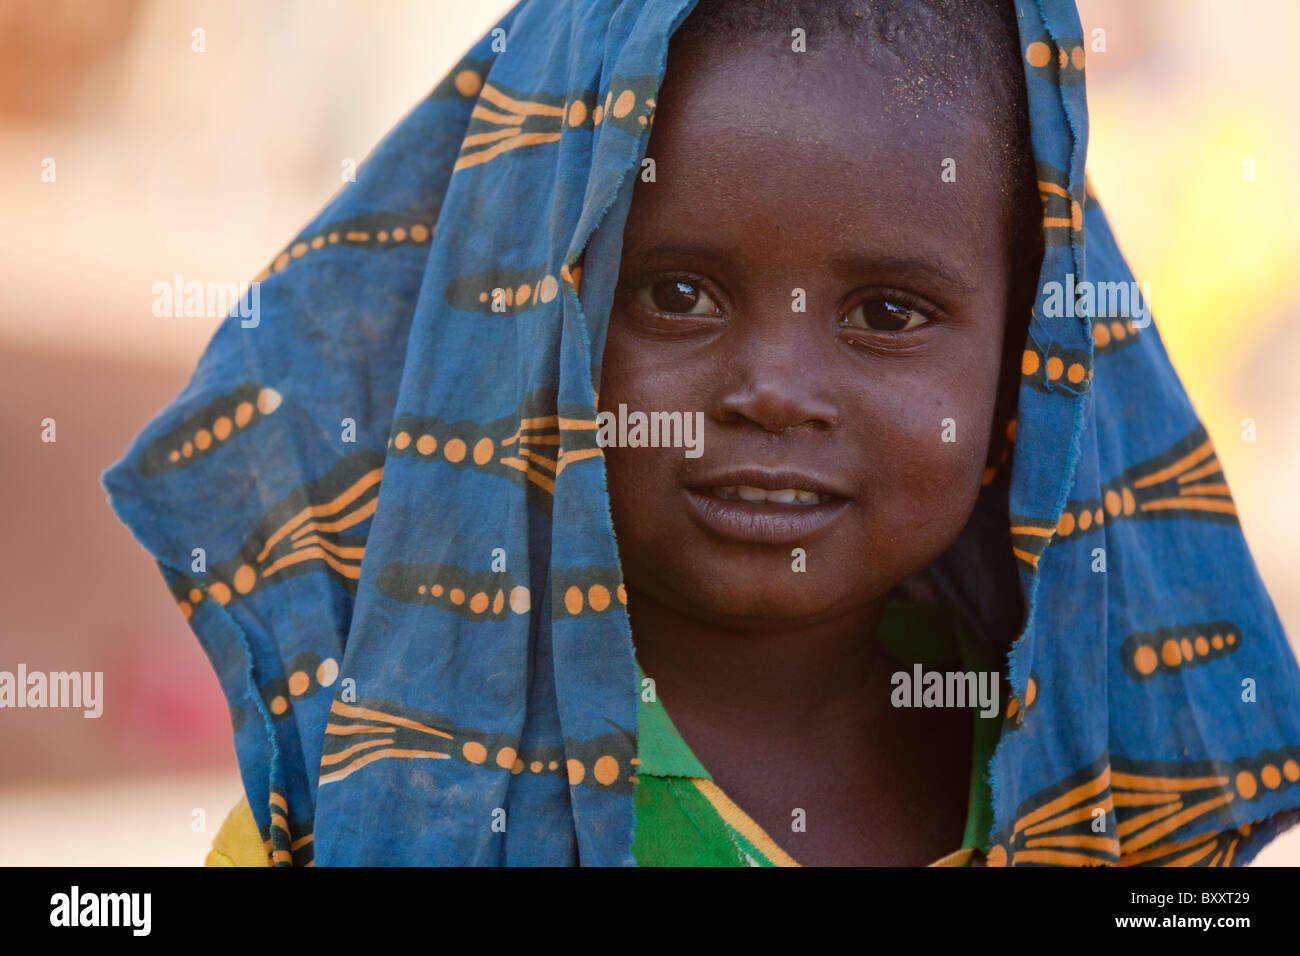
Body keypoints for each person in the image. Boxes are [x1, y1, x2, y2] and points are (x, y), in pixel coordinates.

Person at [104, 0, 1300, 867]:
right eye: (675, 292)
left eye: (888, 312)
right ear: (536, 328)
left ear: (1022, 373)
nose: (774, 389)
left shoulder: (1101, 773)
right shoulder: (383, 803)